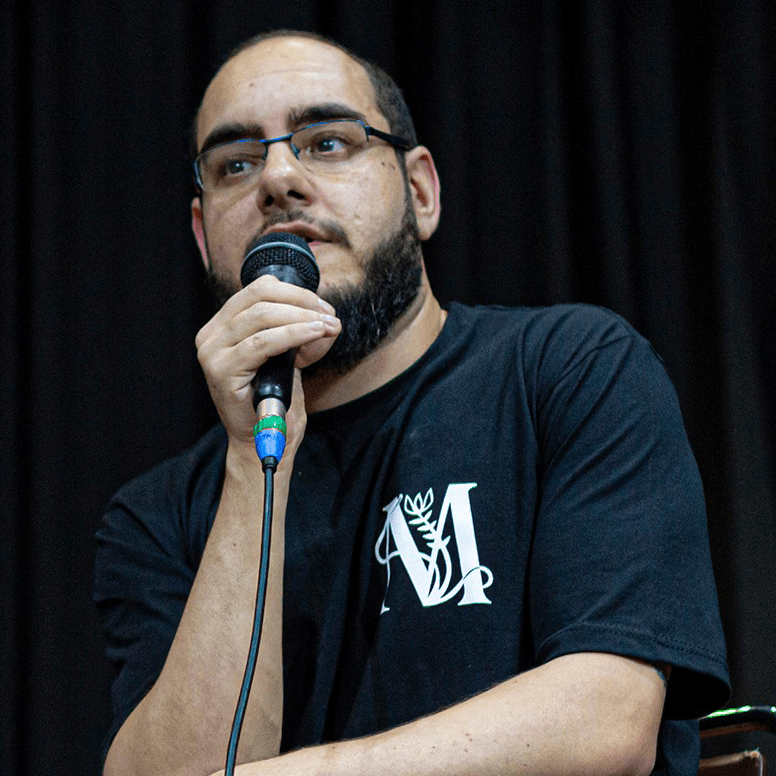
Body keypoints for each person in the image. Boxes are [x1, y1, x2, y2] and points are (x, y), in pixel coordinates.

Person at [94, 29, 730, 776]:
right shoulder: (159, 515)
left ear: (420, 192)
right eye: (235, 164)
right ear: (204, 238)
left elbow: (607, 722)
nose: (278, 179)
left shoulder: (570, 369)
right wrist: (250, 462)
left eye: (328, 142)